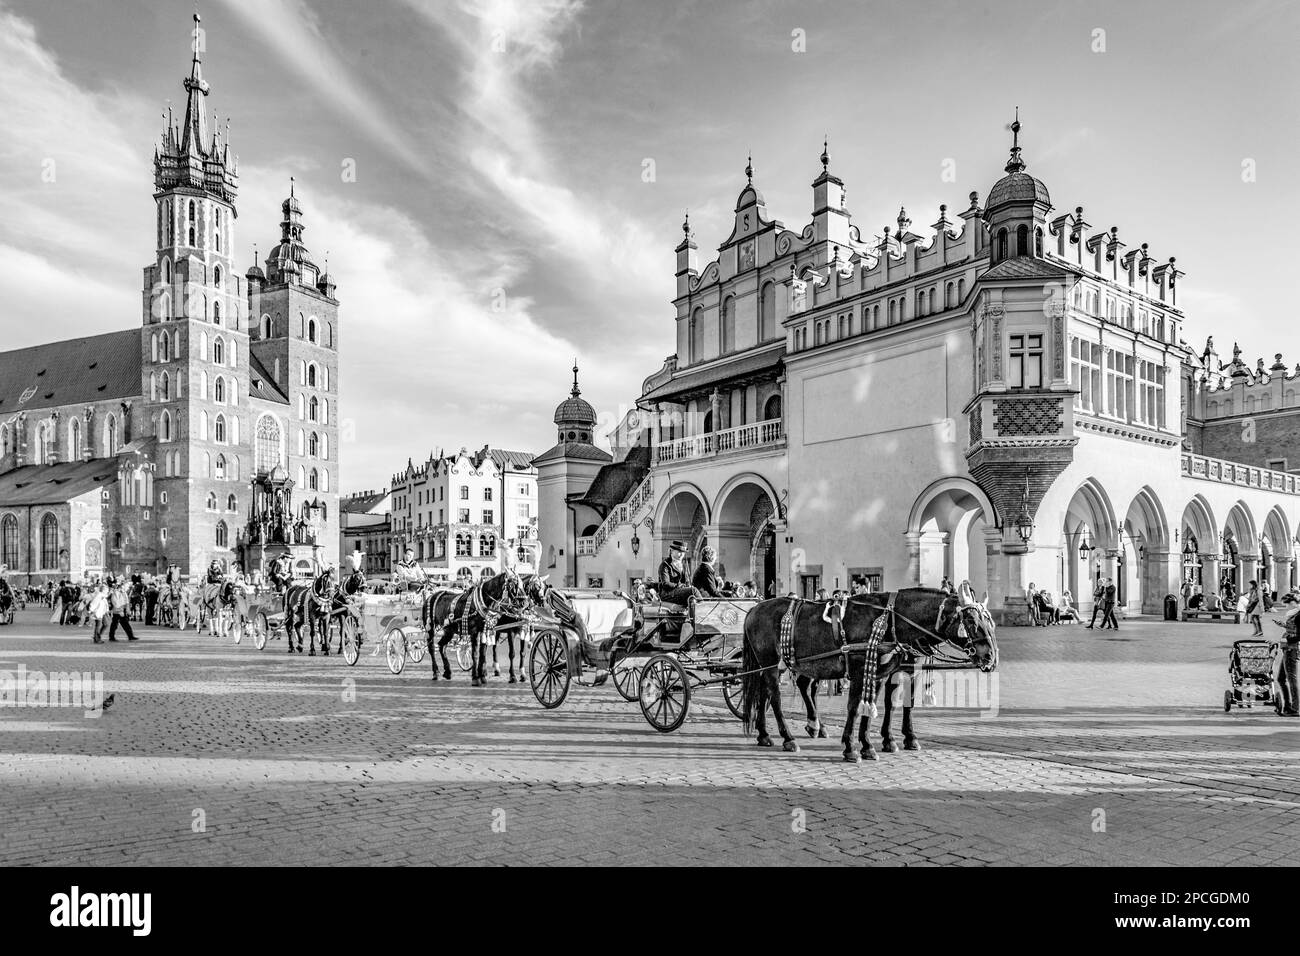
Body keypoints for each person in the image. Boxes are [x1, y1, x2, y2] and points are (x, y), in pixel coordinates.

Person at [1274, 605, 1300, 717]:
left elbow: (1299, 635)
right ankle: (1288, 706)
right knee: (1281, 678)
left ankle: (1295, 708)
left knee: (1291, 679)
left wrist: (1288, 639)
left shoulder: (1299, 616)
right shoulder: (1297, 614)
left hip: (1291, 649)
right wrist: (1283, 625)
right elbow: (1293, 629)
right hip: (1288, 649)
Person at [657, 540, 695, 606]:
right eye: (679, 552)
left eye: (683, 553)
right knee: (692, 591)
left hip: (679, 592)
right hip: (667, 594)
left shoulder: (684, 565)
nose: (681, 555)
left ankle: (700, 609)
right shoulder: (665, 565)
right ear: (671, 551)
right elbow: (666, 584)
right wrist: (679, 585)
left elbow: (686, 581)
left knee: (693, 592)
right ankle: (702, 609)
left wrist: (687, 583)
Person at [107, 578, 138, 642]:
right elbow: (115, 602)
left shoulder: (123, 592)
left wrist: (127, 609)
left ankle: (130, 636)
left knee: (123, 623)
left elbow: (126, 601)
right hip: (118, 610)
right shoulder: (116, 593)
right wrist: (120, 610)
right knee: (116, 624)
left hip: (122, 609)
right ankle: (112, 636)